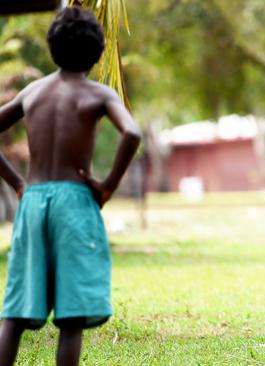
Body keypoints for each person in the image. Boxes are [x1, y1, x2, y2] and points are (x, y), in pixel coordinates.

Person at [0, 6, 141, 366]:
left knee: (14, 312)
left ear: (52, 47)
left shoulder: (33, 92)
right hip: (74, 200)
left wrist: (18, 182)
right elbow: (132, 133)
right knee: (71, 316)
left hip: (32, 199)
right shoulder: (98, 94)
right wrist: (107, 186)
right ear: (97, 53)